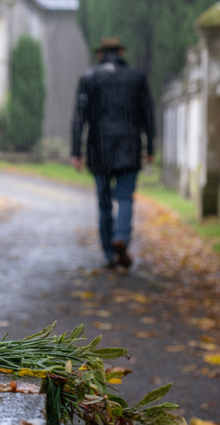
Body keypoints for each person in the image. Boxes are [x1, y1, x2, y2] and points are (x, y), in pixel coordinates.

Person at [70, 37, 155, 269]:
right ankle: (121, 237)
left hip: (99, 149)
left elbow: (80, 117)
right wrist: (151, 147)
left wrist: (75, 151)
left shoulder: (89, 78)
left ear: (100, 54)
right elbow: (148, 113)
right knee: (126, 197)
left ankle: (108, 252)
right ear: (120, 52)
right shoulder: (136, 77)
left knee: (104, 202)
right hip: (129, 146)